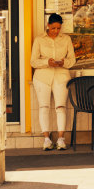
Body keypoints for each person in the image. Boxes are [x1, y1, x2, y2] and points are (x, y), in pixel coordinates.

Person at [30, 13, 76, 150]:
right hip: (42, 77)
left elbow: (72, 60)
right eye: (53, 28)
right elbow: (33, 61)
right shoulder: (39, 40)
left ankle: (61, 139)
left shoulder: (66, 39)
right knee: (44, 107)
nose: (56, 31)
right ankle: (46, 140)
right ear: (48, 25)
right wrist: (47, 62)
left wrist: (63, 62)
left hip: (61, 76)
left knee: (60, 107)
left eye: (58, 28)